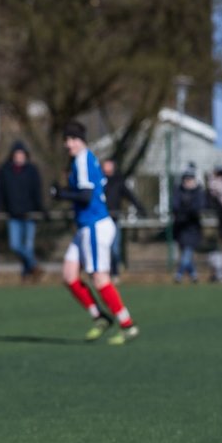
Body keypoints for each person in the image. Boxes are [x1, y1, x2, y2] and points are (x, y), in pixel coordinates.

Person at [52, 121, 139, 344]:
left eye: (73, 139)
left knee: (100, 278)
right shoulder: (82, 160)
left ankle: (127, 325)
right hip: (86, 226)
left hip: (95, 226)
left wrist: (62, 194)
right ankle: (100, 317)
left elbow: (86, 196)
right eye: (66, 139)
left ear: (82, 140)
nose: (68, 144)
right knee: (69, 275)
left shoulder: (82, 160)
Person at [0, 141, 44, 281]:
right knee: (15, 245)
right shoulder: (5, 170)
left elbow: (37, 191)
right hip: (13, 214)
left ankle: (26, 274)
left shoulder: (32, 170)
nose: (19, 157)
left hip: (29, 214)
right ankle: (34, 265)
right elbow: (0, 192)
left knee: (28, 246)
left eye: (21, 154)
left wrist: (41, 208)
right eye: (17, 154)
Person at [101, 158, 146, 277]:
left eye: (109, 165)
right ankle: (103, 274)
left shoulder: (118, 181)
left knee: (114, 250)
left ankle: (115, 273)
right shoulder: (99, 181)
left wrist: (140, 208)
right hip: (99, 220)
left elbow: (130, 196)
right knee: (102, 250)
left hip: (114, 220)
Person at [170, 165, 206, 284]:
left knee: (187, 252)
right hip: (180, 227)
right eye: (186, 179)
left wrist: (185, 209)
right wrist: (185, 210)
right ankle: (194, 275)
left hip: (193, 228)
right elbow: (175, 206)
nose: (188, 181)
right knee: (186, 253)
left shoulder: (198, 192)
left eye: (190, 179)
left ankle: (179, 275)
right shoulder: (178, 191)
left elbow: (198, 208)